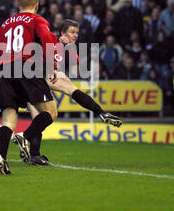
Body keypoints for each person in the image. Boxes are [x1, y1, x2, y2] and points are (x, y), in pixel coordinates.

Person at [14, 19, 123, 165]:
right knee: (54, 102)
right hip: (30, 77)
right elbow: (36, 49)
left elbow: (70, 65)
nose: (75, 35)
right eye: (72, 32)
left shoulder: (70, 51)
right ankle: (30, 147)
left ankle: (34, 154)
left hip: (38, 78)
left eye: (77, 32)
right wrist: (59, 43)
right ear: (62, 33)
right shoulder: (50, 39)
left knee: (44, 112)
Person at [0, 0, 59, 175]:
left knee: (8, 119)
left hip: (5, 69)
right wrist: (52, 65)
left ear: (18, 5)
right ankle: (25, 136)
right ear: (37, 5)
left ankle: (0, 157)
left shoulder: (5, 23)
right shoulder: (37, 20)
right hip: (27, 66)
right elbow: (47, 40)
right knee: (51, 112)